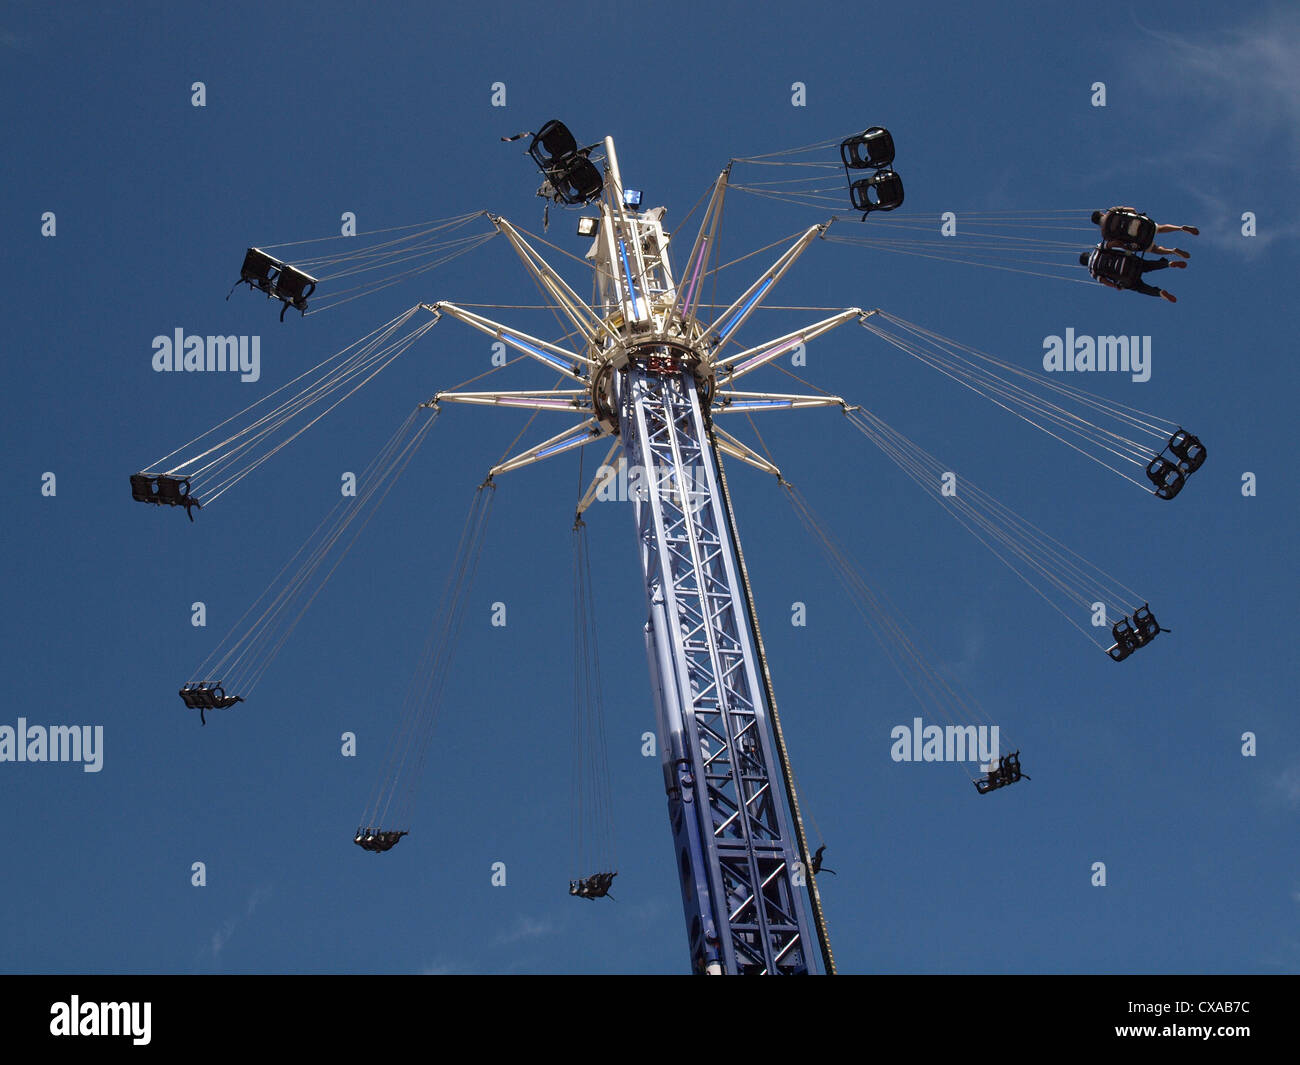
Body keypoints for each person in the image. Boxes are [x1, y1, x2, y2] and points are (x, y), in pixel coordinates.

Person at [1080, 245, 1186, 303]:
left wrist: (1116, 286)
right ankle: (1168, 263)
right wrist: (1128, 250)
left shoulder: (1092, 271)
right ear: (1089, 254)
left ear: (1086, 264)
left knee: (1139, 287)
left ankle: (1159, 293)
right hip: (1130, 262)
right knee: (1147, 265)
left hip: (1126, 277)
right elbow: (1114, 244)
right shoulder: (1099, 248)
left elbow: (1104, 281)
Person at [1092, 207, 1197, 258]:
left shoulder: (1105, 234)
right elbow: (1131, 209)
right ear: (1101, 213)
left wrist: (1128, 248)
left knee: (1154, 249)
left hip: (1138, 238)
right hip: (1142, 224)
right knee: (1159, 228)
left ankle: (1172, 251)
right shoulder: (1111, 211)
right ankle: (1180, 228)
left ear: (1097, 223)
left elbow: (1118, 244)